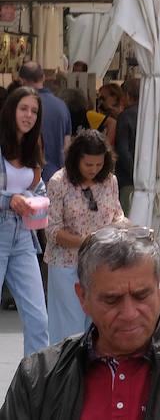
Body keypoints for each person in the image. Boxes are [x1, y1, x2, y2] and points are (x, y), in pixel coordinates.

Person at [0, 225, 160, 419]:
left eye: (141, 295)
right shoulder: (38, 376)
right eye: (112, 300)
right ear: (82, 297)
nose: (130, 312)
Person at [44, 130, 124, 343]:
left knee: (98, 326)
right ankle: (65, 374)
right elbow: (52, 231)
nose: (94, 170)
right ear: (76, 158)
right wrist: (86, 241)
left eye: (98, 164)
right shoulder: (58, 182)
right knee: (69, 331)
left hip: (100, 264)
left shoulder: (109, 181)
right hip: (65, 264)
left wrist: (130, 229)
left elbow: (117, 215)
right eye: (88, 164)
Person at [0, 87, 49, 355]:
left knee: (38, 319)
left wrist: (38, 201)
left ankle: (37, 388)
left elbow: (38, 186)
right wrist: (9, 200)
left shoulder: (33, 145)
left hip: (23, 236)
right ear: (11, 109)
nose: (29, 115)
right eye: (24, 109)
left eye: (34, 111)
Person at [18, 61, 72, 181]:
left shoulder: (19, 107)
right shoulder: (62, 106)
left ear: (21, 81)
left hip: (28, 178)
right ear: (43, 77)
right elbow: (67, 145)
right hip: (57, 177)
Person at [114, 77, 140, 212]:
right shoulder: (148, 113)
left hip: (127, 178)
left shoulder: (125, 116)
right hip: (145, 175)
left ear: (128, 95)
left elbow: (123, 150)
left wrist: (133, 174)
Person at [91, 83, 127, 148]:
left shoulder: (124, 116)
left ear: (114, 97)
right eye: (99, 99)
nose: (100, 102)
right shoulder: (104, 115)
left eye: (103, 98)